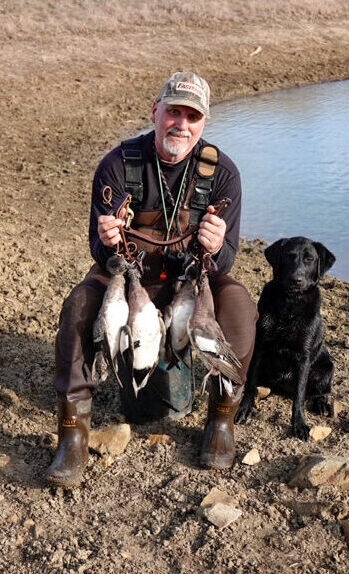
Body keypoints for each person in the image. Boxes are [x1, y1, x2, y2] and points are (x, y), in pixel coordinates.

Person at [46, 72, 258, 488]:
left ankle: (220, 420)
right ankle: (72, 433)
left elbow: (227, 259)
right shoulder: (117, 164)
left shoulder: (223, 174)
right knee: (79, 306)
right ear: (155, 113)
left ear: (203, 123)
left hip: (190, 287)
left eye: (191, 116)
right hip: (130, 284)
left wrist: (214, 248)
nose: (181, 123)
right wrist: (109, 242)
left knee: (237, 303)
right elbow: (99, 250)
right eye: (173, 112)